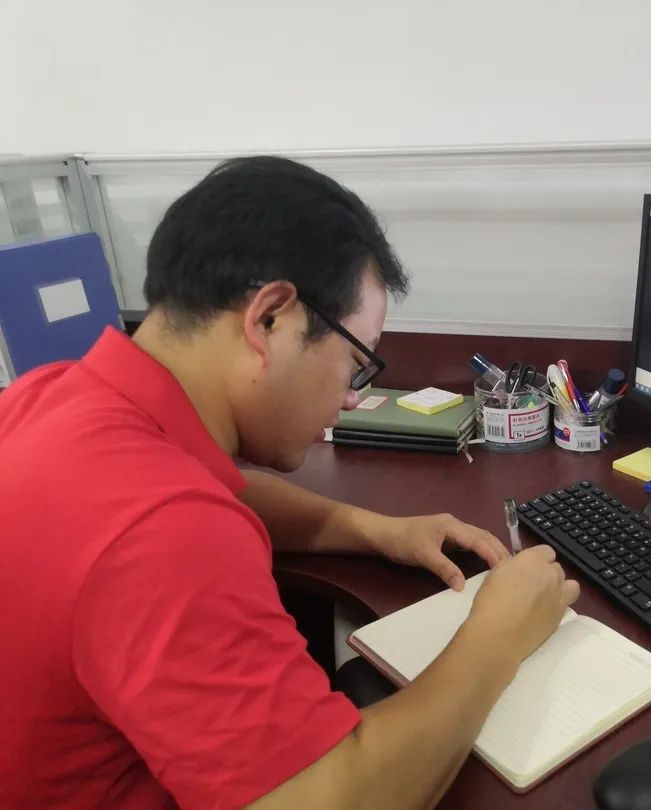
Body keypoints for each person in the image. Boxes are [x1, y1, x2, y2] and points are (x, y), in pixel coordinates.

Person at [0, 156, 579, 809]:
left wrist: (373, 530)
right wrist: (497, 637)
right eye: (355, 364)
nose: (352, 398)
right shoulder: (165, 529)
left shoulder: (52, 397)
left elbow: (217, 493)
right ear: (270, 318)